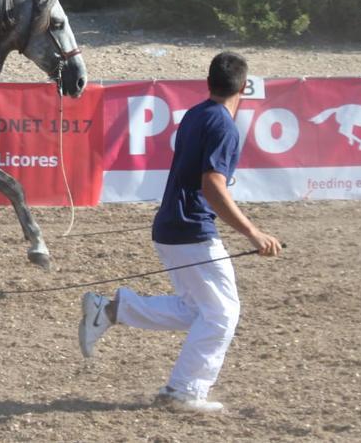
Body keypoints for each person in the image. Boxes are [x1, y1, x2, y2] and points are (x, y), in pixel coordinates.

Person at [78, 51, 282, 414]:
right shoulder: (223, 125)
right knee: (222, 314)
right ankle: (184, 391)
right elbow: (213, 186)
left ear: (209, 82)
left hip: (171, 226)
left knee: (197, 309)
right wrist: (253, 232)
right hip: (191, 229)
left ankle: (110, 311)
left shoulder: (195, 115)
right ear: (242, 88)